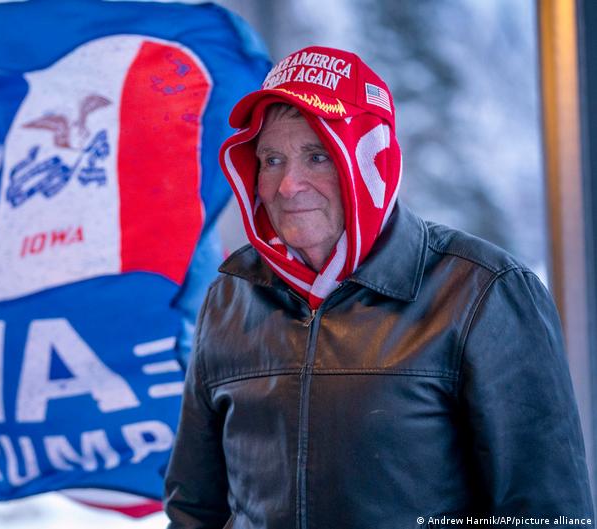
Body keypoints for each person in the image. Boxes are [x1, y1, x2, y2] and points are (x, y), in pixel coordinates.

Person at [163, 45, 594, 529]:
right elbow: (195, 508)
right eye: (272, 159)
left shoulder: (483, 291)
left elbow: (545, 516)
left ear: (369, 160)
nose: (288, 186)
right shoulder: (232, 292)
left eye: (318, 156)